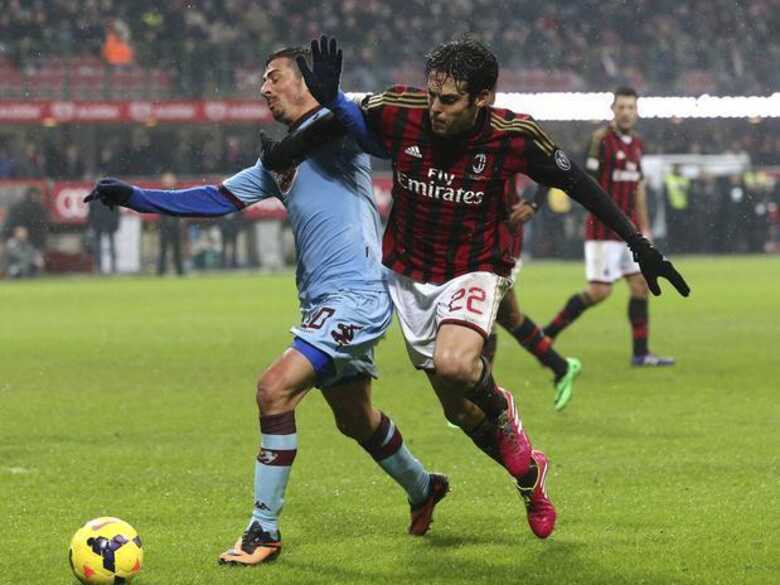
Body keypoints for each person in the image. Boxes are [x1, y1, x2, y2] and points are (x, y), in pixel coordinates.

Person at [265, 36, 689, 540]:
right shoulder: (403, 109)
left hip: (475, 267)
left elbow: (580, 186)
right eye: (432, 97)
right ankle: (530, 477)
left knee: (456, 364)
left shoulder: (514, 135)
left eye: (449, 101)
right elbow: (339, 122)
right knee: (458, 407)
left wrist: (638, 244)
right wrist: (289, 148)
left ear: (482, 98)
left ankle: (505, 416)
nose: (435, 110)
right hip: (408, 273)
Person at [85, 46, 446, 567]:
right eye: (261, 81)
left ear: (303, 81)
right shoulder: (275, 162)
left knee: (273, 390)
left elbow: (361, 133)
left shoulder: (337, 131)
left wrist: (335, 98)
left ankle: (264, 530)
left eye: (273, 77)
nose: (263, 89)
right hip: (323, 301)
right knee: (356, 418)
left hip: (358, 296)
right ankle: (423, 486)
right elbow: (215, 199)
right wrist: (135, 197)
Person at [542, 87, 678, 367]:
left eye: (631, 107)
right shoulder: (601, 140)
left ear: (637, 111)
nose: (626, 112)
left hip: (631, 232)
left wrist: (645, 228)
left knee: (640, 285)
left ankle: (641, 354)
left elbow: (638, 186)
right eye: (622, 107)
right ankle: (546, 335)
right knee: (599, 292)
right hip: (604, 230)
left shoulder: (638, 144)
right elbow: (587, 182)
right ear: (613, 110)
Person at [482, 183, 581, 412]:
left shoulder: (505, 147)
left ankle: (481, 396)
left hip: (501, 239)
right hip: (479, 238)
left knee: (487, 315)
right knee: (507, 317)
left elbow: (550, 164)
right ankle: (561, 367)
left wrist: (535, 202)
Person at [156, 172, 185, 276]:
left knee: (177, 249)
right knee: (163, 250)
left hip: (175, 224)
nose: (168, 181)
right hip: (164, 225)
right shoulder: (160, 194)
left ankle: (180, 271)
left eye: (170, 179)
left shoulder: (178, 193)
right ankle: (160, 271)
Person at [87, 194, 120, 274]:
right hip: (108, 224)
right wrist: (116, 224)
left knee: (99, 248)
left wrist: (91, 224)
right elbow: (117, 212)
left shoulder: (94, 197)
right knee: (110, 247)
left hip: (99, 224)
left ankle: (100, 268)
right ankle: (113, 267)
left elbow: (91, 213)